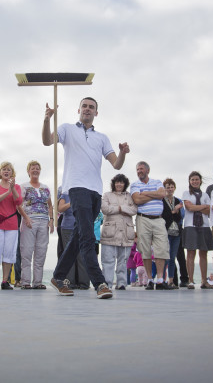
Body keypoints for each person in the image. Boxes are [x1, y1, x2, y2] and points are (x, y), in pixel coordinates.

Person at [43, 97, 128, 299]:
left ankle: (58, 276)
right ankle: (100, 284)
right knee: (88, 237)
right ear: (79, 109)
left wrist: (123, 152)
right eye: (85, 106)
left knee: (78, 237)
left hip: (95, 192)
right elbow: (47, 141)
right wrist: (47, 119)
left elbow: (116, 164)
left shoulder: (102, 137)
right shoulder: (67, 129)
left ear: (96, 113)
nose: (88, 109)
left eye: (92, 107)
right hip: (76, 187)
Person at [130, 161, 170, 290]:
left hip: (158, 219)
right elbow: (137, 199)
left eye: (141, 169)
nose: (139, 171)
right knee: (145, 249)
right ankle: (149, 280)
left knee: (161, 248)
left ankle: (159, 279)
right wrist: (154, 195)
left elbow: (162, 194)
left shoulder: (157, 182)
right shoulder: (135, 184)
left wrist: (145, 193)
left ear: (147, 170)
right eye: (137, 169)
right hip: (143, 219)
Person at [0, 161, 22, 290]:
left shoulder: (16, 187)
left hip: (11, 224)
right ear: (0, 172)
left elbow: (18, 201)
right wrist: (8, 192)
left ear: (12, 173)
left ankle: (4, 281)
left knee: (9, 252)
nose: (6, 171)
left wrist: (12, 188)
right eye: (4, 169)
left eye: (9, 170)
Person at [18, 161, 53, 289]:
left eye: (37, 168)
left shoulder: (45, 187)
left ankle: (38, 282)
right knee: (27, 251)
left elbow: (49, 205)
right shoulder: (24, 187)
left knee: (41, 251)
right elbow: (18, 204)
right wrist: (25, 218)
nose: (35, 170)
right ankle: (25, 281)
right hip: (30, 221)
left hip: (44, 222)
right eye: (33, 168)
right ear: (28, 171)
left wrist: (52, 220)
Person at [100, 173, 137, 290]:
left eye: (121, 182)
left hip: (126, 233)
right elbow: (105, 209)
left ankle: (121, 283)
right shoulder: (107, 195)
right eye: (117, 182)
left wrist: (118, 209)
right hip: (110, 232)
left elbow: (134, 209)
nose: (119, 184)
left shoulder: (130, 196)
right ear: (113, 183)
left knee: (123, 260)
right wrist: (121, 208)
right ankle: (107, 283)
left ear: (125, 184)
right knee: (108, 260)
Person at [181, 171, 213, 289]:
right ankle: (191, 280)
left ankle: (204, 281)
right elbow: (189, 207)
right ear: (189, 181)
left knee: (203, 253)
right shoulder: (186, 194)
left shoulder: (205, 195)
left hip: (204, 226)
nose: (195, 181)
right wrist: (203, 206)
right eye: (192, 180)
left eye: (197, 179)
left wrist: (198, 208)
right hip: (191, 226)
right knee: (190, 253)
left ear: (200, 181)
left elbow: (209, 211)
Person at [57, 189, 90, 289]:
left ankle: (84, 283)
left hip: (82, 226)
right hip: (67, 227)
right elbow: (60, 208)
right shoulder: (65, 194)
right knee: (69, 254)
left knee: (81, 255)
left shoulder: (85, 193)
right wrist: (71, 203)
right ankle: (70, 282)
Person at [160, 178, 183, 288]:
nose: (170, 189)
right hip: (166, 231)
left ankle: (171, 280)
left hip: (176, 232)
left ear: (174, 188)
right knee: (165, 257)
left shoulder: (177, 201)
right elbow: (164, 215)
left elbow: (179, 217)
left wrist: (176, 211)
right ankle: (163, 280)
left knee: (172, 257)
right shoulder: (162, 201)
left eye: (171, 187)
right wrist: (173, 211)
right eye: (167, 187)